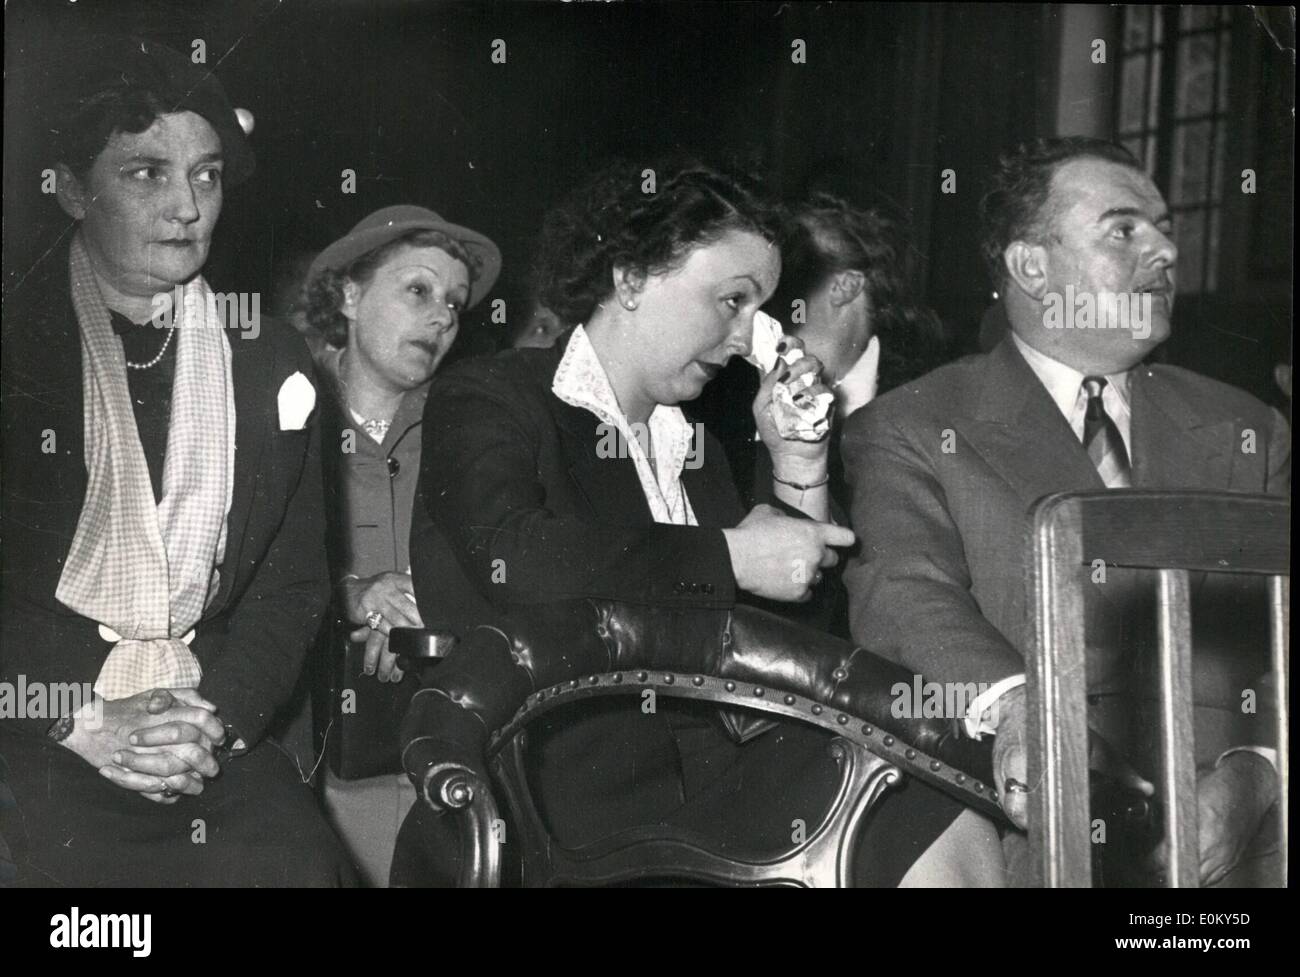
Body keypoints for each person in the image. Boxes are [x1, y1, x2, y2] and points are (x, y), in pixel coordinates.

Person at [396, 158, 1004, 887]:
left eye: (761, 310)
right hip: (554, 802)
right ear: (629, 278)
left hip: (720, 787)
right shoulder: (494, 396)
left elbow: (790, 647)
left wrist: (798, 464)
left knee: (929, 792)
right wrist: (730, 555)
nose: (748, 338)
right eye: (731, 301)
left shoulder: (695, 445)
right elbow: (512, 556)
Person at [842, 137, 1289, 886]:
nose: (1165, 251)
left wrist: (1259, 773)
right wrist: (1028, 715)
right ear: (1031, 266)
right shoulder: (913, 427)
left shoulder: (1248, 428)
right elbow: (905, 593)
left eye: (1166, 227)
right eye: (1125, 229)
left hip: (1250, 855)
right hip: (1034, 842)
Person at [0, 36, 354, 886]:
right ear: (73, 189)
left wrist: (216, 726)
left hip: (200, 727)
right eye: (146, 173)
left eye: (207, 174)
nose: (188, 207)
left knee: (304, 868)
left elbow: (291, 583)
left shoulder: (268, 359)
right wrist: (79, 719)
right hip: (34, 728)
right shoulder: (18, 344)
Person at [304, 205, 501, 885]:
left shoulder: (472, 428)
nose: (443, 315)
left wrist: (434, 599)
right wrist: (356, 595)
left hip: (444, 751)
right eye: (418, 290)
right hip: (321, 749)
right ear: (350, 295)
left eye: (454, 301)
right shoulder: (283, 412)